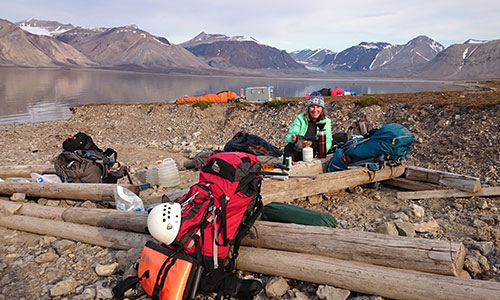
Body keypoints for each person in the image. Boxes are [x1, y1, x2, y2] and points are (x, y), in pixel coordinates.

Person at [283, 92, 332, 162]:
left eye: (318, 107)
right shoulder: (300, 119)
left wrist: (322, 151)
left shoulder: (326, 121)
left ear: (322, 109)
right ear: (308, 108)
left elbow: (328, 140)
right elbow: (289, 137)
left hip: (315, 150)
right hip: (300, 148)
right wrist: (293, 138)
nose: (315, 110)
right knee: (289, 148)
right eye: (312, 107)